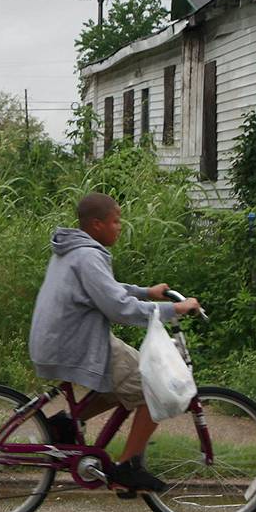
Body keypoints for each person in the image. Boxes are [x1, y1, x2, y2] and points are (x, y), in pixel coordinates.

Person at [27, 192, 200, 494]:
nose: (120, 227)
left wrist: (146, 292)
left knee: (127, 377)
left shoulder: (75, 250)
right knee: (155, 387)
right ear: (96, 225)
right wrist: (173, 310)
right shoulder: (88, 255)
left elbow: (106, 289)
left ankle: (67, 423)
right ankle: (127, 468)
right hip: (74, 343)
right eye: (116, 221)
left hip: (64, 338)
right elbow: (119, 308)